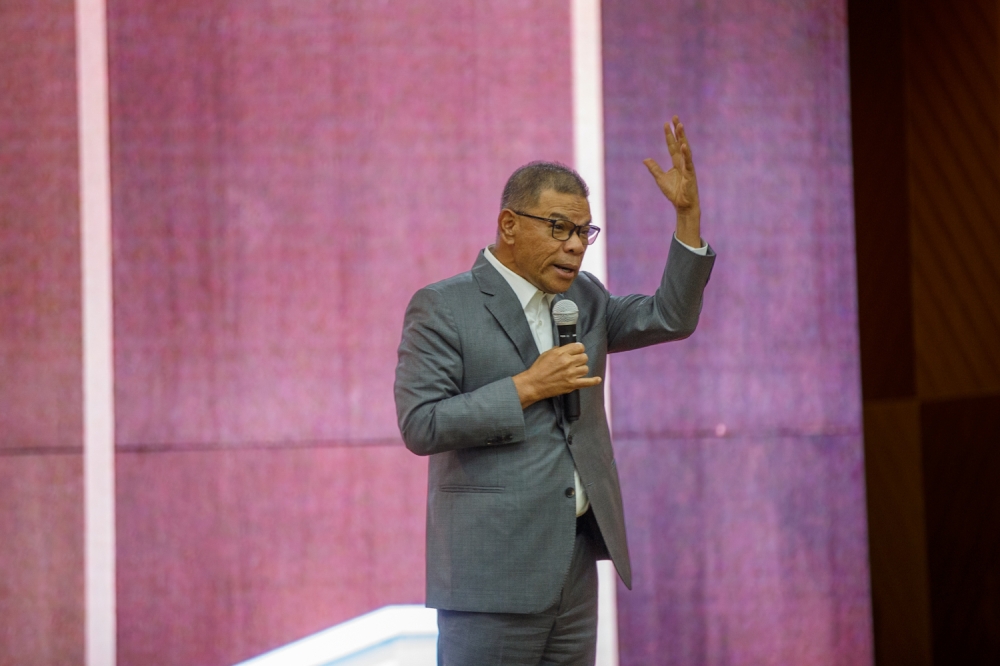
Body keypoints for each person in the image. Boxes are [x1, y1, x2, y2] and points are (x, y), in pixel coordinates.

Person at [394, 116, 715, 665]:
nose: (575, 248)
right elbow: (421, 423)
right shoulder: (444, 306)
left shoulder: (585, 297)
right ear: (510, 224)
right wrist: (525, 387)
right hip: (492, 572)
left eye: (583, 233)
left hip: (573, 562)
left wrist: (687, 218)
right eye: (559, 228)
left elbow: (670, 316)